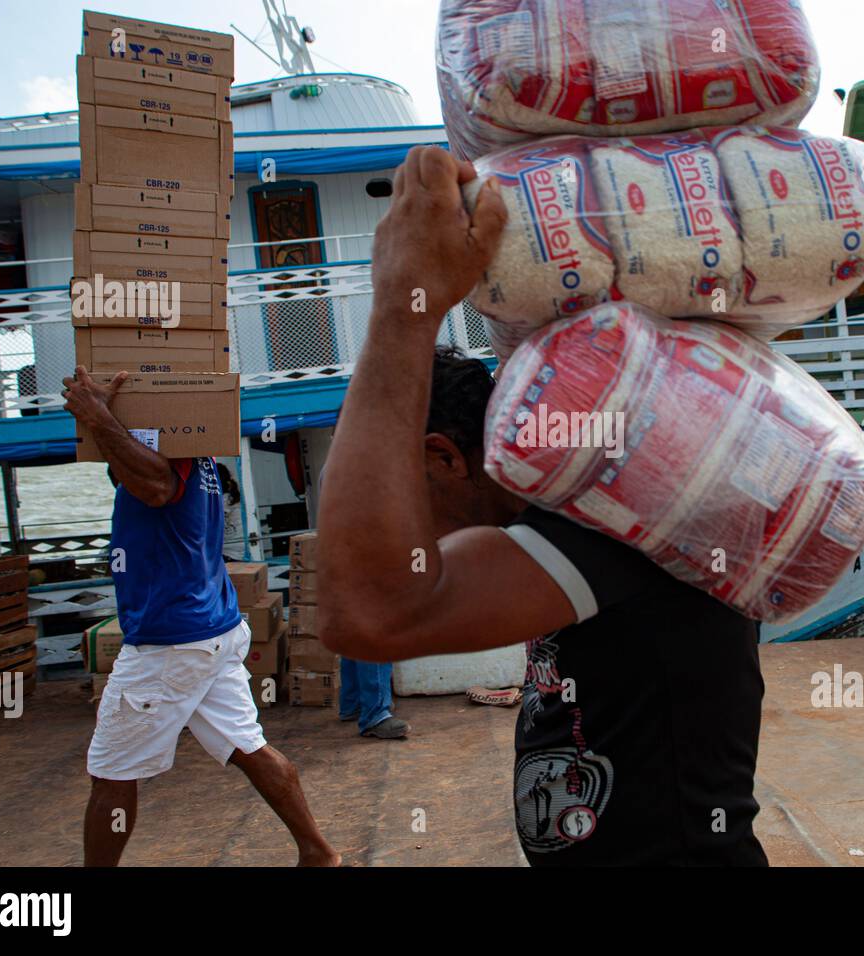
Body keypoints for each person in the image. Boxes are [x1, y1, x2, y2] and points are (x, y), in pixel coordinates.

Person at [318, 147, 767, 866]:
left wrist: (403, 304)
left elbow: (366, 610)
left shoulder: (614, 521)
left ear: (443, 457)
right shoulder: (558, 519)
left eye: (402, 490)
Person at [62, 367, 340, 867]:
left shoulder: (176, 458)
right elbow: (130, 470)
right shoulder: (200, 457)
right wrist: (106, 418)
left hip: (169, 642)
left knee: (112, 773)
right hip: (211, 630)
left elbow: (152, 485)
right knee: (249, 749)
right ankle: (318, 853)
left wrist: (98, 417)